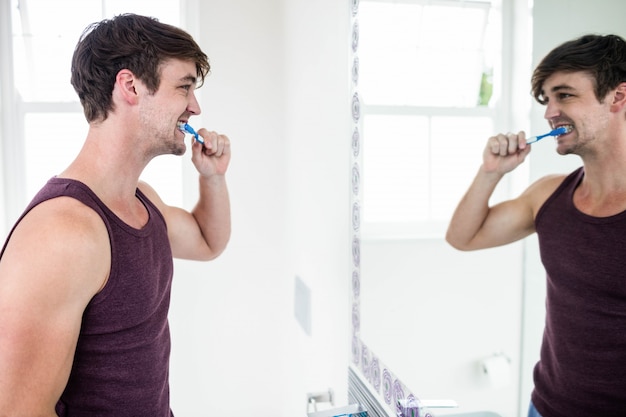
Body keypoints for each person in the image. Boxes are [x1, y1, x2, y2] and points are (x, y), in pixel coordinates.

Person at [0, 13, 231, 416]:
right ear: (130, 86)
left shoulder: (144, 201)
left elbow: (208, 242)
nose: (195, 106)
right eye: (184, 87)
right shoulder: (61, 234)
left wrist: (212, 178)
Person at [446, 33, 626, 417]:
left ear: (618, 96)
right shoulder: (548, 195)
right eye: (547, 99)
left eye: (565, 95)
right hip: (544, 407)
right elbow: (463, 237)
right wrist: (490, 172)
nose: (549, 112)